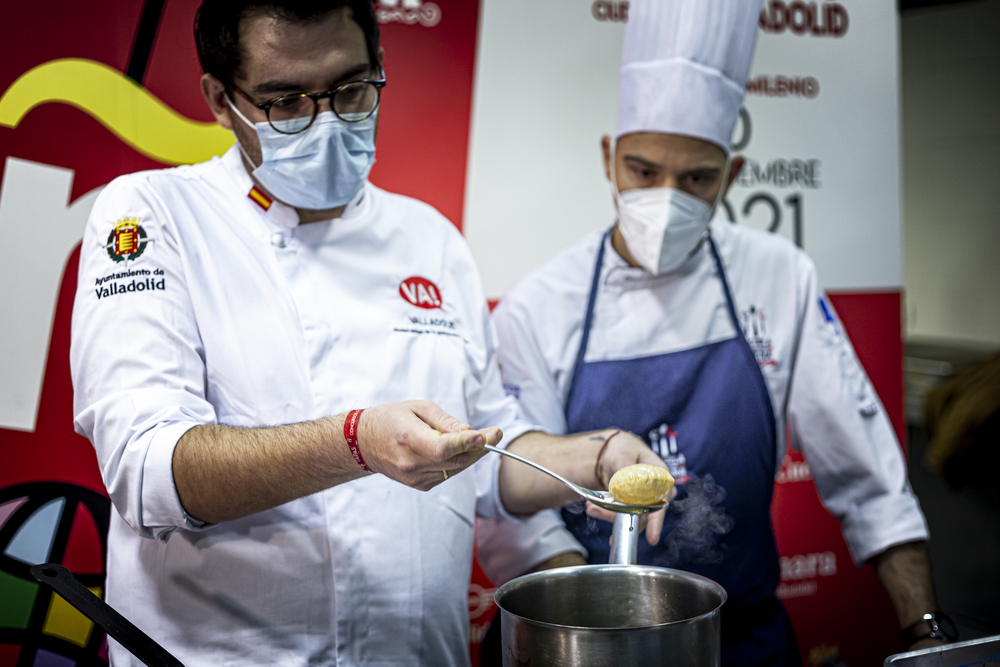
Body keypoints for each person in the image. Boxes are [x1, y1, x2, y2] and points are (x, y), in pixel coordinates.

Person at [69, 2, 668, 665]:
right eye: (285, 102)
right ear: (219, 99)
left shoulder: (429, 238)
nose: (325, 121)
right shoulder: (155, 216)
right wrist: (355, 442)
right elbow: (149, 468)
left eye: (351, 89)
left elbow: (487, 448)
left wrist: (595, 456)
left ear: (380, 69)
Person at [478, 0, 951, 664]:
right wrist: (596, 618)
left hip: (742, 643)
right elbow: (511, 502)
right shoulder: (538, 306)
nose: (666, 197)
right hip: (585, 646)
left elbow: (871, 476)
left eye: (697, 178)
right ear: (610, 158)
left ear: (731, 175)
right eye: (643, 171)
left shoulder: (779, 276)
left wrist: (924, 629)